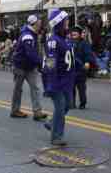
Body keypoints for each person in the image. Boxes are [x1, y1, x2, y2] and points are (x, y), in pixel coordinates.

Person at [42, 9, 73, 146]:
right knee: (60, 108)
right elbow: (50, 63)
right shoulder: (53, 41)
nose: (68, 22)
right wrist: (51, 84)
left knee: (68, 105)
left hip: (67, 80)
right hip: (57, 81)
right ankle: (56, 137)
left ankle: (51, 122)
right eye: (65, 20)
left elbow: (69, 58)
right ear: (59, 23)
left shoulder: (63, 39)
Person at [10, 15, 47, 121]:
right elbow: (30, 53)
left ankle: (37, 112)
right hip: (20, 66)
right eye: (39, 23)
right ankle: (15, 110)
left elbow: (34, 52)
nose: (41, 25)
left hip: (30, 66)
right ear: (34, 24)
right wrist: (41, 63)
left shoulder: (33, 34)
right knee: (18, 89)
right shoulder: (27, 36)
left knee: (35, 88)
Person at [70, 26, 94, 109]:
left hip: (81, 68)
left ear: (79, 34)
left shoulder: (84, 43)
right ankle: (71, 103)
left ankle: (82, 103)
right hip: (71, 68)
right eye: (72, 34)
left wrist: (87, 62)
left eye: (75, 34)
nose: (73, 35)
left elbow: (88, 54)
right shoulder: (69, 43)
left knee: (81, 88)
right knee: (71, 87)